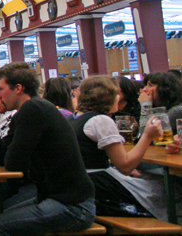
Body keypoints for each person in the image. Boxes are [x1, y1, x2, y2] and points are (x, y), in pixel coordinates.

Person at [0, 62, 95, 236]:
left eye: (0, 89)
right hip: (58, 198)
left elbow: (12, 164)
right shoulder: (29, 110)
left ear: (18, 88)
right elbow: (1, 159)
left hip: (74, 207)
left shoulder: (32, 109)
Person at [69, 76, 173, 220]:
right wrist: (147, 136)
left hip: (85, 183)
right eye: (116, 94)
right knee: (169, 190)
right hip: (101, 187)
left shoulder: (73, 118)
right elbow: (125, 166)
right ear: (106, 97)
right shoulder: (100, 120)